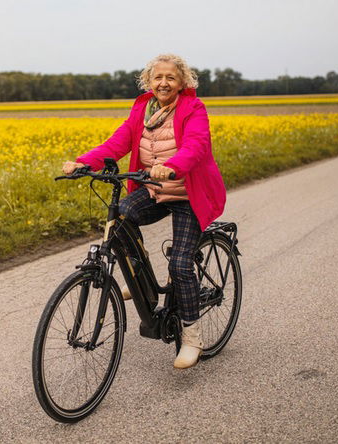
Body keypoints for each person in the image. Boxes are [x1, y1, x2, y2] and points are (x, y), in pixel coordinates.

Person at [62, 53, 226, 369]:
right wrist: (84, 162)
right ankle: (141, 277)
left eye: (171, 78)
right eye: (158, 77)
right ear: (149, 82)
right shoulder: (142, 109)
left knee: (180, 264)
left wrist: (172, 166)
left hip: (188, 194)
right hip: (155, 190)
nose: (163, 83)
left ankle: (192, 337)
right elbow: (117, 143)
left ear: (182, 83)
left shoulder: (193, 109)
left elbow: (196, 145)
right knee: (122, 214)